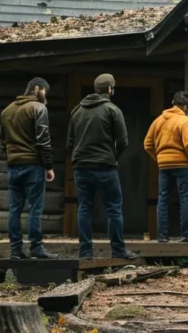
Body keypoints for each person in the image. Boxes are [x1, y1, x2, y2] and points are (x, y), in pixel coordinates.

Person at [68, 73, 138, 259]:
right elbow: (123, 141)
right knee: (113, 208)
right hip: (105, 166)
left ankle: (85, 252)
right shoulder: (112, 110)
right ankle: (118, 250)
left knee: (84, 208)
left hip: (81, 167)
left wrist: (78, 159)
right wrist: (113, 156)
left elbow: (69, 143)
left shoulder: (76, 111)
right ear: (109, 89)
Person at [1, 77, 58, 260]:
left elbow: (3, 142)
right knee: (35, 208)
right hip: (33, 164)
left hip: (13, 165)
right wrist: (48, 166)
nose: (45, 95)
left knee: (14, 209)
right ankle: (36, 247)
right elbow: (43, 140)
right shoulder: (39, 108)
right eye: (44, 91)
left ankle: (15, 250)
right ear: (36, 88)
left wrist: (10, 158)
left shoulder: (6, 111)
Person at [145, 91, 188, 243]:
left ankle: (162, 236)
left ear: (173, 102)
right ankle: (186, 234)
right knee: (185, 198)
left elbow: (147, 144)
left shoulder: (159, 120)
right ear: (185, 106)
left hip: (164, 165)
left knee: (163, 198)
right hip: (182, 164)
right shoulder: (184, 121)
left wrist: (159, 159)